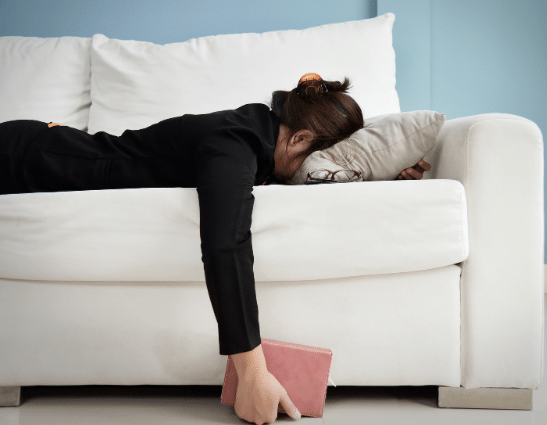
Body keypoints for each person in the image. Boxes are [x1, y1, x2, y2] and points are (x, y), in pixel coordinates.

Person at [0, 73, 430, 424]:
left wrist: (386, 183)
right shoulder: (234, 144)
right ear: (299, 139)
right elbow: (225, 244)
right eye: (316, 162)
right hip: (23, 158)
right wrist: (253, 373)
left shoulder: (258, 133)